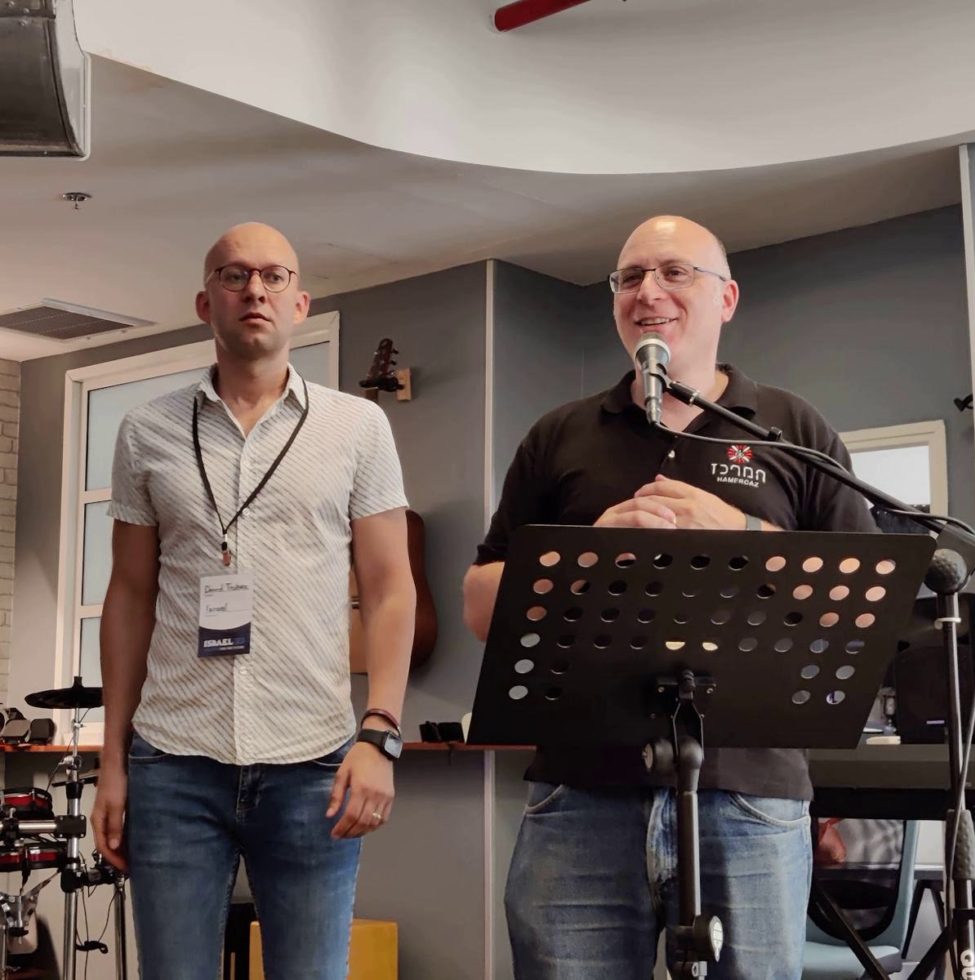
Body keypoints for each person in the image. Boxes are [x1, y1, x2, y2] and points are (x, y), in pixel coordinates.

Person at [462, 215, 876, 979]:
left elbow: (857, 609)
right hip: (580, 792)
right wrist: (587, 554)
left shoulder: (792, 429)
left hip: (749, 795)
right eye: (629, 277)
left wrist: (743, 533)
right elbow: (480, 604)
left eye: (674, 272)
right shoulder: (559, 435)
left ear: (727, 298)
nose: (647, 292)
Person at [90, 222, 416, 980]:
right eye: (234, 275)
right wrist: (113, 761)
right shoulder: (146, 431)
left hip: (313, 761)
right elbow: (130, 595)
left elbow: (390, 588)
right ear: (206, 303)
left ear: (300, 303)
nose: (255, 290)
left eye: (274, 276)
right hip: (173, 761)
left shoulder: (358, 427)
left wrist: (380, 735)